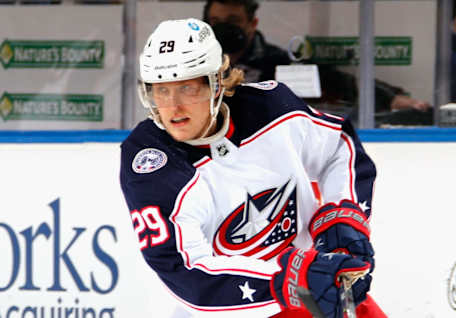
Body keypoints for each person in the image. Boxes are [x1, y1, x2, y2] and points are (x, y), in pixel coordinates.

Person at [120, 18, 386, 317]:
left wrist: (343, 214)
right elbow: (186, 272)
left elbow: (339, 146)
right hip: (241, 307)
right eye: (161, 91)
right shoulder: (151, 161)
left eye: (187, 88)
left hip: (315, 289)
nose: (173, 107)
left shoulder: (270, 108)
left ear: (216, 82)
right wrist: (287, 283)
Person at [203, 0, 432, 125]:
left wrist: (391, 97)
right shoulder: (196, 63)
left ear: (253, 23)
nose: (223, 27)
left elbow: (339, 82)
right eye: (215, 21)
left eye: (233, 21)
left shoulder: (276, 61)